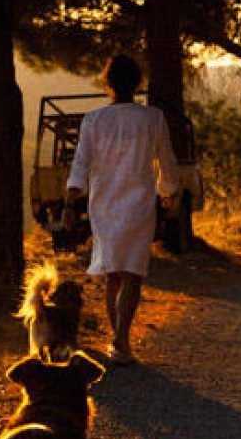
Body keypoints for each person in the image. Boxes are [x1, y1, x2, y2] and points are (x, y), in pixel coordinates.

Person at [64, 55, 178, 365]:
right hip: (139, 202)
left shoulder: (94, 119)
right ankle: (121, 341)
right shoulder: (153, 118)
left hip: (104, 203)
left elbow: (81, 163)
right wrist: (168, 191)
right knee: (132, 273)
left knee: (113, 272)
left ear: (107, 83)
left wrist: (71, 201)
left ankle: (120, 341)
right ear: (137, 83)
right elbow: (166, 161)